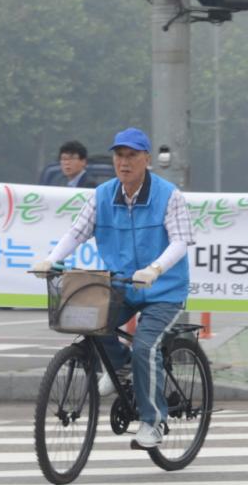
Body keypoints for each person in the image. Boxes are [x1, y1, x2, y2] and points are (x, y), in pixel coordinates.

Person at [31, 127, 191, 449]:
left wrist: (155, 269)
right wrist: (51, 259)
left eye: (132, 155)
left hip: (164, 290)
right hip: (121, 285)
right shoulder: (102, 195)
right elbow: (76, 233)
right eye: (119, 155)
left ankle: (153, 420)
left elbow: (180, 241)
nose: (125, 162)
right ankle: (119, 363)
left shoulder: (168, 195)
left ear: (147, 159)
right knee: (85, 315)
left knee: (145, 346)